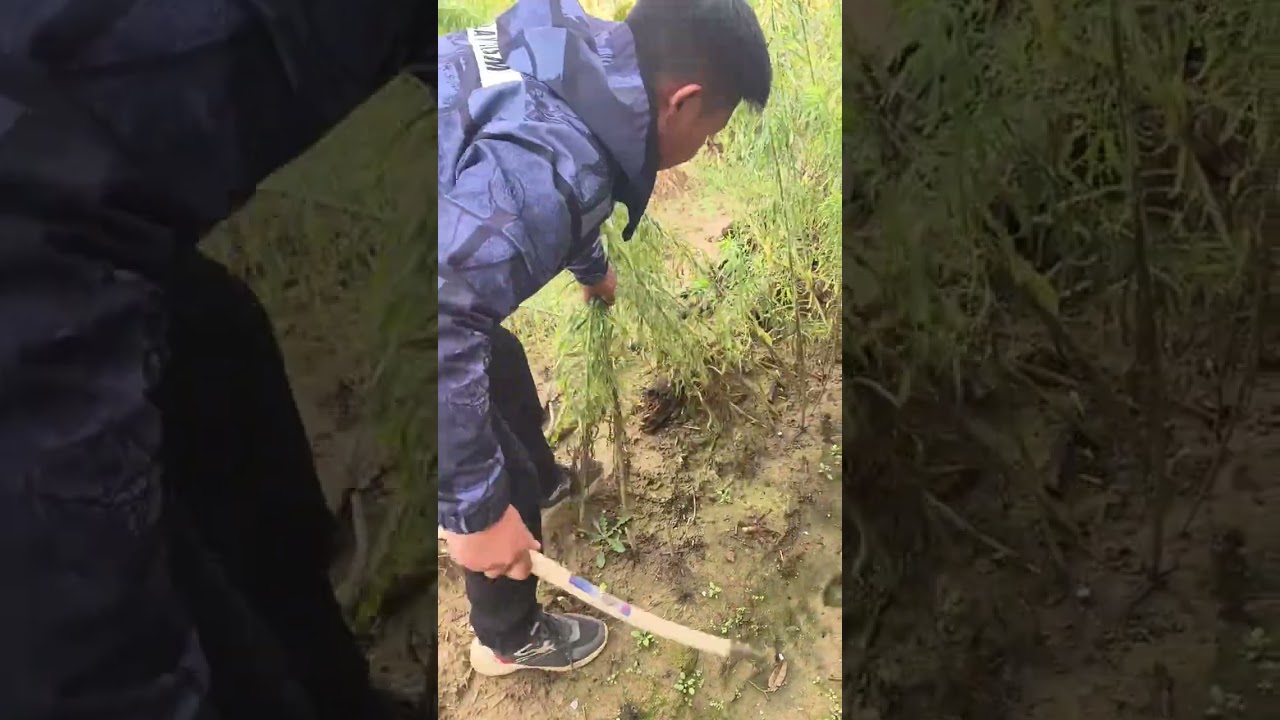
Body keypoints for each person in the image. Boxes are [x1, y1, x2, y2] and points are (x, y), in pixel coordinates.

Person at [0, 3, 434, 718]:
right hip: (26, 266)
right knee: (110, 664)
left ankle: (327, 683)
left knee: (213, 348)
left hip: (69, 199)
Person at [436, 0, 772, 676]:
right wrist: (475, 511)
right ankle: (508, 637)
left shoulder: (560, 32)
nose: (703, 150)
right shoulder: (550, 181)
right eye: (711, 133)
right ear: (684, 101)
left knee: (498, 357)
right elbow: (438, 322)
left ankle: (544, 485)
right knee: (497, 472)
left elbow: (539, 137)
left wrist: (592, 267)